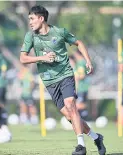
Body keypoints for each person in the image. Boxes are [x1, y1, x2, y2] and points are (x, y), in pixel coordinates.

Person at [20, 5, 106, 155]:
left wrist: (88, 61)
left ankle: (80, 145)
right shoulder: (30, 36)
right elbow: (23, 58)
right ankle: (96, 137)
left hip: (65, 75)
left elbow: (79, 43)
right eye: (29, 19)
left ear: (41, 18)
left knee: (70, 105)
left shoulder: (60, 32)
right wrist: (42, 58)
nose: (30, 22)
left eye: (32, 19)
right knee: (69, 115)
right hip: (49, 81)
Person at [74, 51, 90, 121]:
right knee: (83, 104)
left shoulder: (80, 63)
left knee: (79, 105)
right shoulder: (84, 62)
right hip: (84, 87)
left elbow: (82, 75)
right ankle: (85, 120)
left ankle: (82, 121)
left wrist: (74, 77)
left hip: (81, 87)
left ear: (78, 54)